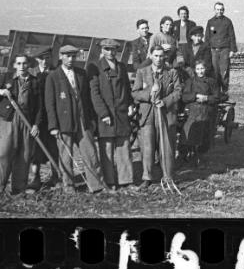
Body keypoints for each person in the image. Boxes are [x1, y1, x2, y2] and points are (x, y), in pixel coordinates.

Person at [45, 45, 105, 194]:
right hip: (64, 122)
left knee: (90, 152)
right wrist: (53, 126)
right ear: (61, 57)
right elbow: (50, 103)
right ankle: (69, 186)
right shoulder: (53, 76)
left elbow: (87, 99)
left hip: (82, 120)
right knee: (66, 155)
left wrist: (90, 120)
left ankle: (95, 184)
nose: (71, 59)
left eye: (73, 56)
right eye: (67, 56)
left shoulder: (81, 74)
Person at [0, 54, 42, 201]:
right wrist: (0, 91)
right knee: (2, 153)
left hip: (27, 122)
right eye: (19, 63)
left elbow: (40, 107)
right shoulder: (6, 78)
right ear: (15, 65)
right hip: (8, 120)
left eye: (25, 64)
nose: (22, 66)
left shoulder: (35, 82)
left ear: (29, 65)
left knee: (24, 155)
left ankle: (18, 190)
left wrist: (36, 124)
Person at [132, 45, 182, 190]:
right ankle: (147, 178)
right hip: (147, 114)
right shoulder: (142, 72)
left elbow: (178, 92)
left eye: (161, 56)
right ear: (151, 56)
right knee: (147, 147)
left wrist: (165, 102)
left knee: (166, 146)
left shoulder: (172, 73)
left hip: (165, 114)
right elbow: (135, 93)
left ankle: (167, 177)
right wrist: (149, 94)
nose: (159, 59)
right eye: (156, 56)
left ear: (164, 57)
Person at [88, 39, 136, 191]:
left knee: (124, 148)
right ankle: (110, 181)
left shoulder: (121, 67)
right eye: (107, 49)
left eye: (113, 49)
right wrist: (103, 113)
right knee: (107, 150)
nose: (110, 52)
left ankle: (126, 181)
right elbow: (94, 93)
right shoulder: (95, 67)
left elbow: (127, 89)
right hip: (106, 116)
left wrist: (129, 104)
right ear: (102, 50)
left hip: (121, 114)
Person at [27, 46, 59, 191]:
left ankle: (56, 176)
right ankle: (35, 178)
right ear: (36, 60)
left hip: (52, 117)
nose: (44, 61)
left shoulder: (55, 73)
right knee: (36, 149)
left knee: (54, 148)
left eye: (47, 58)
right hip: (36, 118)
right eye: (41, 59)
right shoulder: (31, 73)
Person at [181, 60, 220, 168]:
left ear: (206, 69)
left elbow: (217, 97)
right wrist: (195, 96)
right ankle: (187, 154)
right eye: (198, 69)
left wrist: (207, 98)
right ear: (195, 70)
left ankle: (200, 157)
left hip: (206, 109)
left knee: (203, 134)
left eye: (202, 68)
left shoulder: (211, 81)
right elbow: (184, 97)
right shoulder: (190, 81)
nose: (200, 71)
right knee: (189, 131)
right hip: (193, 109)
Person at [204, 2, 237, 95]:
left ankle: (225, 91)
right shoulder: (210, 22)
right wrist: (207, 50)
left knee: (224, 71)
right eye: (217, 9)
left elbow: (232, 36)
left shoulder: (228, 21)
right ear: (214, 10)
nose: (219, 11)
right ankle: (216, 92)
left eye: (221, 9)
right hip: (213, 50)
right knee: (214, 71)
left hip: (224, 50)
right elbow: (207, 37)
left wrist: (232, 50)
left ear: (224, 10)